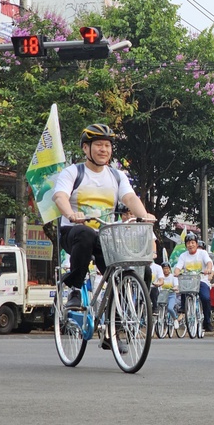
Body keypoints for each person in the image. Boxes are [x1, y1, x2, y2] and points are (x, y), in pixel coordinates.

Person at [53, 123, 156, 351]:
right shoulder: (73, 172)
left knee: (140, 270)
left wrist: (144, 215)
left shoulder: (117, 176)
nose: (104, 149)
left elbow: (130, 198)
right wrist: (71, 214)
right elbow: (60, 196)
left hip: (106, 238)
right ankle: (76, 290)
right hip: (74, 232)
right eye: (98, 145)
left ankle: (115, 328)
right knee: (85, 233)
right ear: (86, 149)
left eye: (107, 145)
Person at [173, 232, 214, 332]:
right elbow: (178, 267)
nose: (190, 245)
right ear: (186, 245)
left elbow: (209, 262)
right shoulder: (183, 256)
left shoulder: (203, 253)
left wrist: (208, 269)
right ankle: (184, 308)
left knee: (206, 298)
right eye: (188, 243)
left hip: (201, 280)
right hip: (188, 282)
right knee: (183, 287)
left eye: (192, 242)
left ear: (196, 244)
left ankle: (207, 321)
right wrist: (177, 272)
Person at [159, 262, 180, 329]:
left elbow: (176, 286)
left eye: (167, 268)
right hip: (162, 295)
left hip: (171, 295)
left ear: (170, 269)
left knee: (170, 308)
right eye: (164, 268)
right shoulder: (160, 277)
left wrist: (174, 288)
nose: (166, 270)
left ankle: (175, 319)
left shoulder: (173, 277)